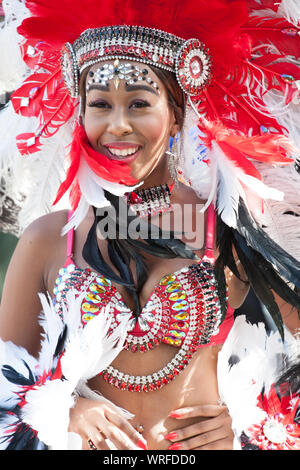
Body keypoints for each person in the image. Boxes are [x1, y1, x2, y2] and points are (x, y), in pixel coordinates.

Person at [0, 0, 299, 451]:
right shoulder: (48, 239)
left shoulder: (231, 228)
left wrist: (250, 421)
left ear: (178, 111)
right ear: (81, 114)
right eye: (100, 104)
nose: (117, 125)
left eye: (139, 103)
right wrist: (61, 407)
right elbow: (5, 383)